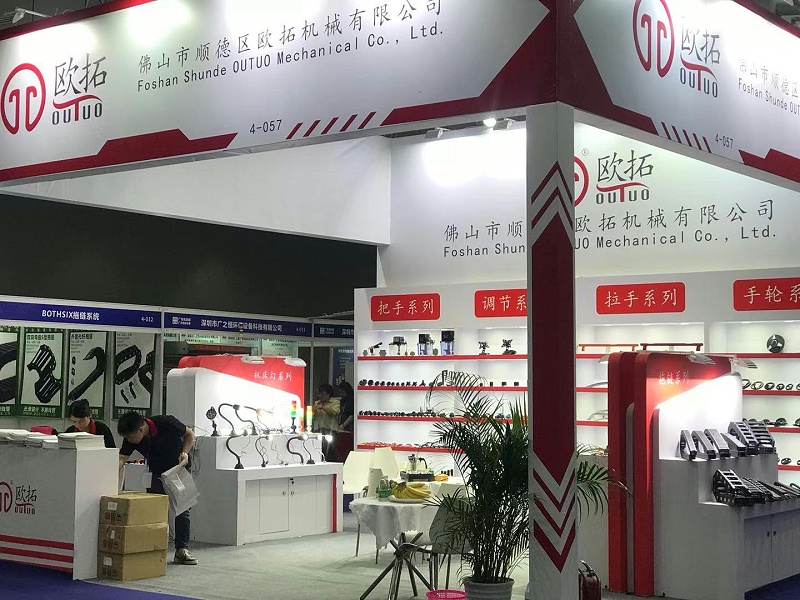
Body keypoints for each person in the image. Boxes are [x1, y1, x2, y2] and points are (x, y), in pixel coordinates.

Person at [117, 411, 197, 566]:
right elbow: (122, 458)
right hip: (156, 473)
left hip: (177, 470)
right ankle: (154, 548)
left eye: (130, 437)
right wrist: (110, 474)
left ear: (140, 429)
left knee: (182, 510)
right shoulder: (131, 438)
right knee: (155, 510)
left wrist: (184, 453)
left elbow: (189, 434)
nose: (129, 440)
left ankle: (182, 550)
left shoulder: (166, 423)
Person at [335, 381, 355, 463]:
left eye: (343, 392)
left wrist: (343, 425)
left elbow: (352, 415)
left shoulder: (352, 400)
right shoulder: (342, 400)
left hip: (349, 426)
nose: (341, 394)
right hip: (342, 425)